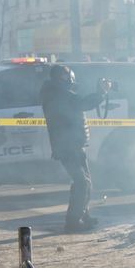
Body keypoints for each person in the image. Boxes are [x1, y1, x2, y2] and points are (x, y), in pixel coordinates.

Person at [39, 64, 108, 232]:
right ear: (63, 77)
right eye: (68, 76)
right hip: (67, 145)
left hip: (73, 144)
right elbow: (82, 103)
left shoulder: (57, 91)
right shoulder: (57, 93)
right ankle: (73, 221)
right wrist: (101, 93)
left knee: (86, 182)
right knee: (82, 182)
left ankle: (82, 216)